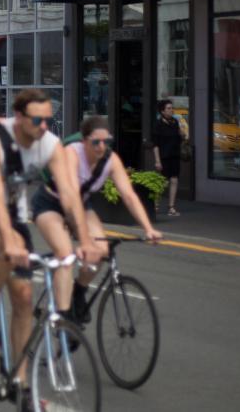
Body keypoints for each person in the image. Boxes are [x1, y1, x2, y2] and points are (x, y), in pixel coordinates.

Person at [0, 89, 97, 386]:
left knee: (23, 297)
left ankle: (20, 383)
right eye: (37, 119)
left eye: (48, 119)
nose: (44, 126)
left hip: (14, 212)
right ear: (19, 117)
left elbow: (70, 194)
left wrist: (84, 240)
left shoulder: (49, 144)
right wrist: (8, 239)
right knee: (12, 248)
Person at [34, 115, 162, 323]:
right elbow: (71, 197)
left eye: (107, 142)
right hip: (52, 203)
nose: (101, 147)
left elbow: (128, 195)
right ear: (84, 140)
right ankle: (64, 319)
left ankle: (78, 291)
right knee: (65, 253)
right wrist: (84, 241)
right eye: (96, 142)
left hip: (81, 204)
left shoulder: (111, 160)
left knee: (101, 251)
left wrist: (148, 228)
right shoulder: (71, 154)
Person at [151, 99, 184, 217]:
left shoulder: (175, 122)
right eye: (168, 108)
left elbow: (180, 139)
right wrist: (157, 161)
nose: (171, 110)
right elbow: (155, 145)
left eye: (171, 108)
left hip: (175, 155)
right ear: (162, 111)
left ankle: (171, 207)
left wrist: (182, 134)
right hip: (164, 156)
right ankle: (155, 205)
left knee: (174, 180)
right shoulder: (158, 125)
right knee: (163, 182)